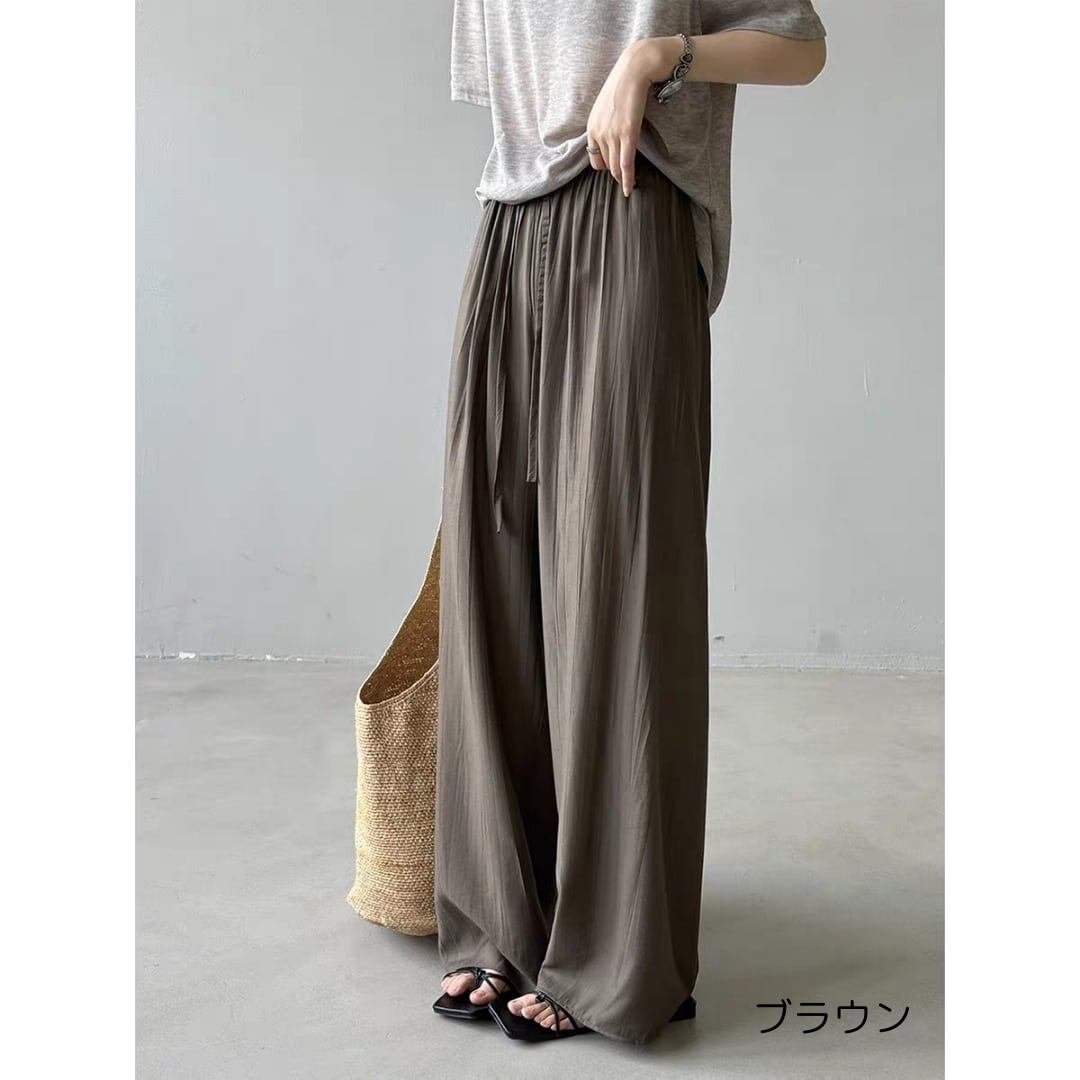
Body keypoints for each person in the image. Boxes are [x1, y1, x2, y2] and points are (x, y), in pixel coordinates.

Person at [431, 0, 827, 1045]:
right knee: (496, 578)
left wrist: (657, 56)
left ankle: (618, 955)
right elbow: (514, 90)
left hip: (632, 210)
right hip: (509, 222)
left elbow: (801, 46)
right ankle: (501, 920)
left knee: (621, 587)